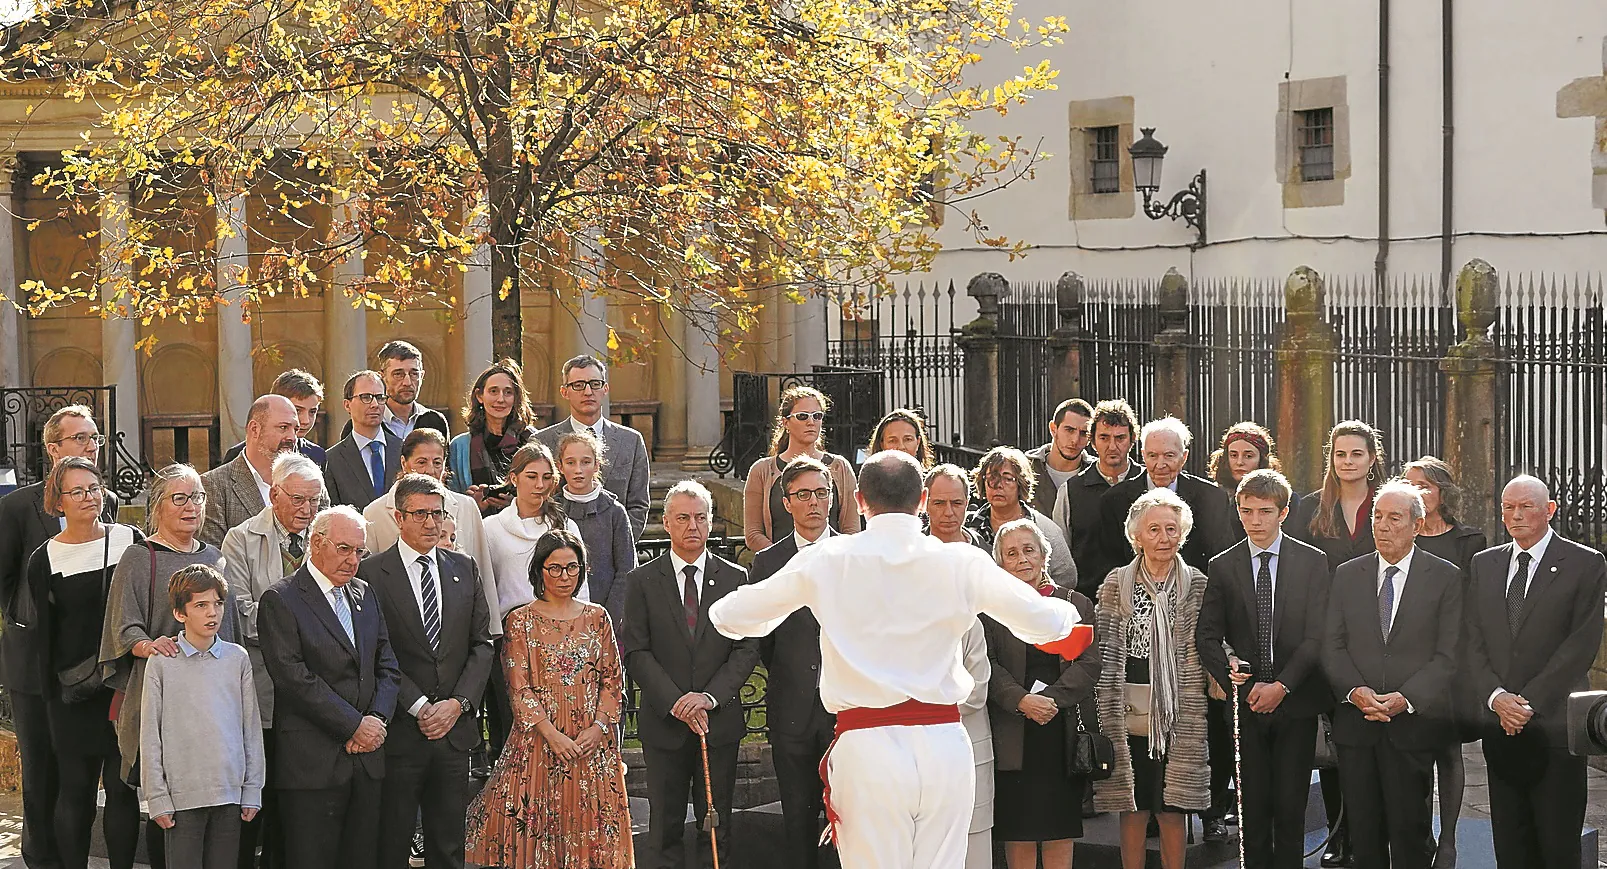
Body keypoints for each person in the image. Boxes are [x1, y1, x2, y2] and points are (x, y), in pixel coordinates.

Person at [709, 451, 1083, 869]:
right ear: (923, 500)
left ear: (860, 501)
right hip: (943, 745)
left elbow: (730, 616)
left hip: (868, 748)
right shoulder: (959, 561)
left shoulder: (828, 559)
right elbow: (1051, 624)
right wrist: (1066, 614)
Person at [1099, 416, 1235, 839]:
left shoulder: (1211, 499)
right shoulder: (1117, 500)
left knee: (1183, 789)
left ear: (1185, 456)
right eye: (1152, 454)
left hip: (1187, 676)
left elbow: (1222, 565)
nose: (1161, 463)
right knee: (1136, 802)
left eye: (1169, 454)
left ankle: (1212, 813)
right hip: (1132, 684)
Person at [466, 529, 634, 868]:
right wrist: (552, 735)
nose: (564, 576)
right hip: (538, 746)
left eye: (572, 567)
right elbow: (518, 686)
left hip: (591, 748)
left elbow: (613, 681)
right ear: (539, 571)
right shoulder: (520, 620)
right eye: (554, 568)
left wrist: (598, 728)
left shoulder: (598, 617)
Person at [1463, 475, 1607, 869]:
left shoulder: (1585, 563)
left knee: (1558, 846)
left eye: (1526, 507)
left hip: (1555, 728)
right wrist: (1496, 698)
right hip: (1500, 727)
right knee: (1510, 845)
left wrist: (1527, 704)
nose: (1515, 515)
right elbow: (1472, 640)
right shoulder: (1485, 563)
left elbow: (1580, 645)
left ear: (1550, 510)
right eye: (1508, 507)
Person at [0, 404, 120, 869]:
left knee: (84, 775)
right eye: (80, 438)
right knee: (41, 772)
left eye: (95, 438)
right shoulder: (15, 507)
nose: (92, 445)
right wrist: (42, 612)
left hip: (96, 669)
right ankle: (40, 859)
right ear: (53, 449)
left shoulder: (105, 506)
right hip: (35, 666)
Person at [1322, 479, 1462, 869]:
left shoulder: (1445, 576)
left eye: (1394, 518)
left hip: (1411, 730)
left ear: (1417, 525)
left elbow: (1448, 654)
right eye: (1377, 517)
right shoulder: (1347, 574)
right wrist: (1355, 691)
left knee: (1410, 834)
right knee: (1363, 838)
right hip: (1357, 726)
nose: (1382, 526)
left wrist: (1406, 698)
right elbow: (1331, 645)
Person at [621, 481, 759, 869]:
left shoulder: (735, 579)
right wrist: (677, 702)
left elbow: (746, 649)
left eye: (701, 517)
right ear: (666, 522)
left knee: (715, 825)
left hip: (718, 724)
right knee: (664, 827)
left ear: (712, 522)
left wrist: (709, 698)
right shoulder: (642, 581)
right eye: (683, 518)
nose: (692, 526)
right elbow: (635, 650)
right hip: (665, 724)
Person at [1197, 469, 1330, 869]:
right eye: (1247, 510)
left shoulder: (1312, 562)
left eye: (1264, 511)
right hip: (1246, 704)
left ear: (1284, 512)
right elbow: (1207, 635)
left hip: (1296, 702)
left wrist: (1283, 686)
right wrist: (1231, 673)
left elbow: (1317, 636)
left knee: (1290, 809)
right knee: (1251, 811)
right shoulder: (1223, 564)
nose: (1255, 520)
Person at [359, 474, 494, 869]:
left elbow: (481, 644)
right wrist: (419, 706)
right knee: (393, 842)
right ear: (399, 519)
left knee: (449, 846)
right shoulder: (372, 574)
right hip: (402, 732)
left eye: (438, 514)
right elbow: (376, 652)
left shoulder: (463, 567)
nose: (431, 523)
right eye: (421, 515)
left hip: (454, 734)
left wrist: (458, 704)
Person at [258, 506, 400, 869]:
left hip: (367, 761)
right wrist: (354, 726)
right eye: (344, 549)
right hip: (312, 764)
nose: (353, 560)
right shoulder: (281, 599)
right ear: (316, 543)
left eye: (359, 551)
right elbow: (294, 678)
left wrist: (376, 721)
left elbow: (386, 665)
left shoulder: (364, 594)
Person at [22, 457, 144, 869]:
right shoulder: (45, 558)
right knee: (75, 791)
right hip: (73, 693)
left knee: (122, 788)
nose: (89, 497)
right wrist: (50, 698)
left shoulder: (130, 538)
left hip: (124, 686)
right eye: (77, 491)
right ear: (58, 501)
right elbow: (46, 636)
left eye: (93, 487)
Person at [1092, 487, 1211, 869]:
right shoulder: (1116, 583)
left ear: (1183, 534)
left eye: (1172, 529)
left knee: (1173, 808)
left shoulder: (1197, 584)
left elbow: (1209, 643)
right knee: (1132, 807)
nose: (1163, 538)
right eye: (1154, 529)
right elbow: (1105, 645)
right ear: (1137, 536)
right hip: (1127, 706)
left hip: (1180, 708)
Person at [103, 463, 237, 804]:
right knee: (165, 799)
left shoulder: (216, 559)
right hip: (160, 694)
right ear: (157, 505)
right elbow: (122, 626)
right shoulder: (138, 558)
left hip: (211, 698)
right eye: (179, 498)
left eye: (197, 497)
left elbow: (230, 630)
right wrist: (148, 645)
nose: (191, 506)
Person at [1289, 418, 1385, 867]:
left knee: (1376, 744)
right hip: (1328, 638)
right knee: (1334, 744)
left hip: (1379, 635)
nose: (1348, 462)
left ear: (1371, 459)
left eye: (1357, 454)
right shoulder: (1311, 507)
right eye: (1340, 454)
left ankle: (1374, 834)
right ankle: (1338, 834)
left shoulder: (1388, 505)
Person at [221, 452, 322, 869]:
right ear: (274, 494)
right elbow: (241, 612)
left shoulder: (326, 533)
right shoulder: (241, 539)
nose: (307, 510)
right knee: (256, 795)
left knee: (298, 800)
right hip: (264, 688)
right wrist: (305, 632)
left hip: (316, 688)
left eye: (315, 501)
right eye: (298, 500)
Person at [985, 519, 1098, 869]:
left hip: (1060, 730)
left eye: (1029, 550)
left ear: (1044, 555)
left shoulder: (1074, 603)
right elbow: (985, 664)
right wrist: (1021, 700)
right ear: (1001, 563)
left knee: (1058, 830)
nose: (1022, 559)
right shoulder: (991, 611)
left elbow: (1090, 663)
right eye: (1012, 553)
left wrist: (1051, 699)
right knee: (1017, 832)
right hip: (1012, 731)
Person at [140, 564, 266, 869]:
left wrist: (252, 789)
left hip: (229, 795)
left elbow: (250, 728)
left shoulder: (237, 659)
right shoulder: (161, 663)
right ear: (180, 614)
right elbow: (150, 734)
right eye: (201, 605)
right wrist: (157, 797)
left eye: (218, 604)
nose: (213, 613)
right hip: (182, 798)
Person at [750, 457, 841, 869]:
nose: (813, 502)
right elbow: (763, 641)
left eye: (821, 493)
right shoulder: (767, 564)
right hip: (792, 712)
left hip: (848, 712)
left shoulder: (853, 555)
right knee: (798, 821)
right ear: (786, 503)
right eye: (803, 495)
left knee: (854, 819)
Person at [1401, 455, 1486, 867]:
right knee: (1411, 753)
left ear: (1442, 493)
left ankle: (1448, 839)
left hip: (1451, 660)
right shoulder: (1398, 534)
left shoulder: (1470, 541)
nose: (1418, 492)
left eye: (1426, 486)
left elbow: (1475, 606)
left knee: (1448, 752)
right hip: (1405, 661)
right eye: (1410, 484)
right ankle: (1418, 838)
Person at [363, 428, 499, 636]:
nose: (430, 470)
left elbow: (482, 571)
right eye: (421, 462)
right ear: (404, 463)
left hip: (457, 629)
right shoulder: (375, 512)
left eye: (437, 462)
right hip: (399, 631)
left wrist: (491, 632)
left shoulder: (466, 506)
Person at [536, 354, 652, 539]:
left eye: (595, 384)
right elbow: (537, 500)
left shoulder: (631, 441)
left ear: (605, 388)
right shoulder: (542, 442)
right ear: (564, 392)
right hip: (559, 552)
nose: (588, 392)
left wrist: (621, 545)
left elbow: (639, 505)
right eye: (578, 385)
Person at [743, 385, 860, 550]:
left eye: (817, 416)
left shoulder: (840, 467)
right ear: (786, 422)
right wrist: (785, 560)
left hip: (831, 564)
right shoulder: (761, 471)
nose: (811, 422)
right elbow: (753, 534)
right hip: (781, 568)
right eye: (802, 416)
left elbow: (851, 530)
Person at [486, 442, 583, 619]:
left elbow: (581, 588)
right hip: (509, 628)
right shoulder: (491, 528)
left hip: (562, 625)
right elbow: (484, 589)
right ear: (514, 478)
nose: (540, 485)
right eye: (531, 477)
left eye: (547, 477)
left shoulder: (567, 527)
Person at [964, 446, 1078, 594]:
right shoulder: (968, 529)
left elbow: (1067, 578)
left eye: (1007, 478)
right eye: (992, 477)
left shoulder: (1045, 529)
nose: (998, 485)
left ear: (1021, 483)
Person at [554, 429, 637, 628]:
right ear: (560, 466)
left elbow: (626, 569)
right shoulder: (552, 511)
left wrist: (608, 618)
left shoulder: (614, 512)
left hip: (606, 619)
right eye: (570, 462)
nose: (578, 470)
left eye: (585, 462)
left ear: (596, 465)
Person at [1063, 399, 1145, 598]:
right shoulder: (1072, 490)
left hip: (1143, 599)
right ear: (1092, 441)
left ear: (1132, 439)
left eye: (1120, 438)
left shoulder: (1148, 486)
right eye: (1104, 437)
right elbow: (1062, 554)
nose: (1112, 446)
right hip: (1088, 599)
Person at [201, 394, 303, 547]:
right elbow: (214, 557)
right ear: (254, 429)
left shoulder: (309, 481)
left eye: (295, 429)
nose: (292, 437)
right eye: (283, 428)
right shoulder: (214, 485)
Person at [449, 360, 540, 516]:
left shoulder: (533, 440)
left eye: (508, 392)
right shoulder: (460, 446)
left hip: (526, 529)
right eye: (493, 391)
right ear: (479, 396)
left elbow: (547, 493)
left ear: (516, 398)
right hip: (478, 530)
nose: (501, 399)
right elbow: (450, 499)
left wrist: (517, 503)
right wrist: (471, 503)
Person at [337, 340, 451, 442]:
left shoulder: (435, 421)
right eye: (398, 374)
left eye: (414, 374)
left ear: (422, 375)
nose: (407, 382)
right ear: (382, 377)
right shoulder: (360, 425)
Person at [325, 370, 404, 509]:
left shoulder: (403, 449)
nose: (374, 404)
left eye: (380, 397)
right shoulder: (332, 460)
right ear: (347, 405)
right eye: (366, 397)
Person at [224, 369, 329, 467]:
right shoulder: (239, 455)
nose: (306, 421)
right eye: (297, 410)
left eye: (312, 412)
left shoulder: (317, 455)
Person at [1206, 421, 1292, 541]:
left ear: (1262, 459)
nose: (1240, 462)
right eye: (1233, 455)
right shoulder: (1211, 498)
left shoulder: (1284, 498)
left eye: (1248, 456)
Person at [1027, 398, 1093, 521]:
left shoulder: (1096, 472)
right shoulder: (1025, 468)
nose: (1075, 440)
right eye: (1069, 430)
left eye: (1084, 433)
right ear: (1053, 429)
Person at [925, 463, 986, 549]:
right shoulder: (909, 551)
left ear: (966, 503)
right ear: (925, 504)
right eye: (939, 503)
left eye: (956, 503)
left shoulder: (987, 554)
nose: (948, 512)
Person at [865, 407, 934, 468]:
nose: (901, 447)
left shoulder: (930, 482)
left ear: (918, 442)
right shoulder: (869, 481)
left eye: (908, 439)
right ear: (882, 444)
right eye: (892, 441)